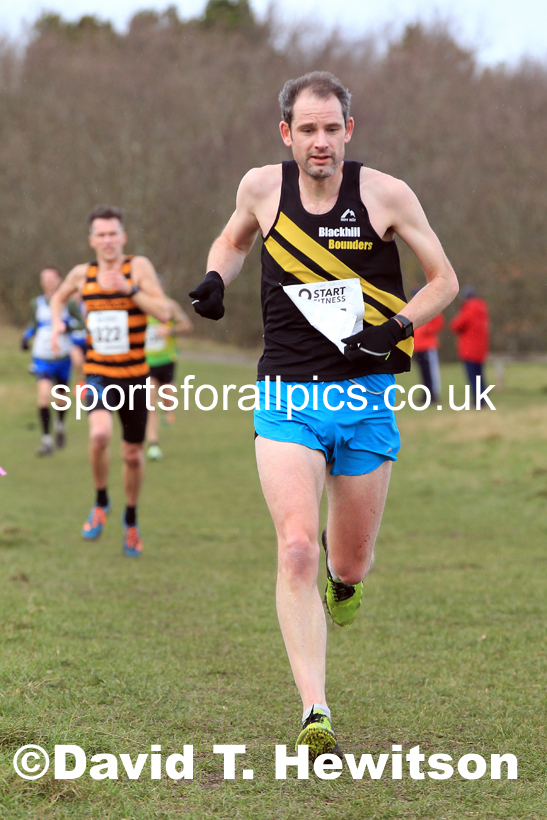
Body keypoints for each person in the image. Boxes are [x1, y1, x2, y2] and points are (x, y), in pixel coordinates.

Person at [189, 71, 459, 758]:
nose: (319, 141)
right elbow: (233, 239)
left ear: (348, 131)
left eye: (330, 128)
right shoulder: (260, 187)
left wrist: (393, 328)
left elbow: (444, 281)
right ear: (286, 134)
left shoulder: (385, 194)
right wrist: (217, 278)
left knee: (349, 561)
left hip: (363, 395)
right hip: (287, 393)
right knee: (295, 547)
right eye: (305, 129)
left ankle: (347, 584)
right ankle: (315, 710)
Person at [50, 205, 169, 557]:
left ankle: (130, 520)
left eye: (113, 233)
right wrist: (57, 323)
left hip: (134, 376)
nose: (107, 240)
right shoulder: (80, 274)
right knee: (99, 434)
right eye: (100, 234)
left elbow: (164, 312)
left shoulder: (138, 267)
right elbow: (57, 299)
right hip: (97, 374)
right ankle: (101, 501)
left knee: (132, 455)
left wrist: (130, 289)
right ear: (92, 240)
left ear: (123, 236)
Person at [21, 266, 84, 456]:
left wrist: (67, 326)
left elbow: (81, 323)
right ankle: (46, 440)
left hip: (62, 356)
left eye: (51, 278)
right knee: (43, 396)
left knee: (61, 399)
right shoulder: (36, 303)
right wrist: (26, 337)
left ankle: (60, 425)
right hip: (42, 357)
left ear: (59, 280)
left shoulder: (68, 303)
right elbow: (34, 325)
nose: (48, 281)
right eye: (44, 278)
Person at [145, 298, 193, 461]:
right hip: (147, 363)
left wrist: (169, 331)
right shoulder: (140, 306)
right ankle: (153, 444)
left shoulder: (169, 306)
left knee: (168, 399)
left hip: (167, 361)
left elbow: (187, 326)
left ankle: (168, 412)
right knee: (150, 402)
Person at [449, 285, 489, 406]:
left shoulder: (468, 309)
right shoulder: (482, 308)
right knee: (480, 376)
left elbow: (455, 325)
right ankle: (483, 399)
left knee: (473, 377)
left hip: (469, 350)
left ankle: (478, 400)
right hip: (481, 349)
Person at [412, 289, 444, 403]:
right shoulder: (413, 309)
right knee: (424, 373)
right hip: (418, 346)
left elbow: (439, 323)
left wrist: (427, 329)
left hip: (428, 346)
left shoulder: (431, 307)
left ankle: (433, 395)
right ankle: (426, 395)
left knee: (431, 373)